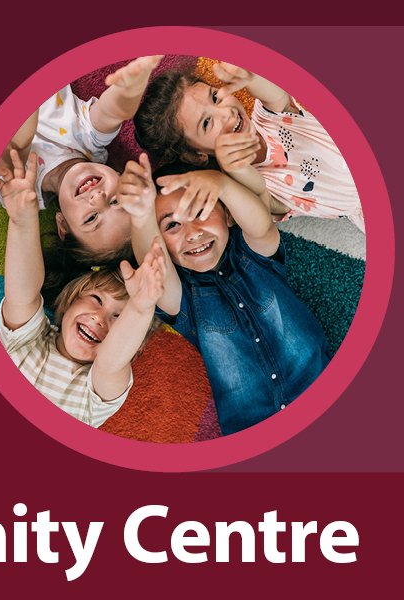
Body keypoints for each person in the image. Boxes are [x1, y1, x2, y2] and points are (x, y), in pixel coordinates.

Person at [118, 154, 328, 434]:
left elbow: (262, 225)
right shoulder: (183, 300)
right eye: (172, 225)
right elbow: (153, 266)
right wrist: (141, 216)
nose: (193, 233)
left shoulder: (256, 255)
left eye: (200, 212)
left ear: (228, 214)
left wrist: (221, 184)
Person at [0, 149, 165, 427]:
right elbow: (22, 295)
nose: (100, 318)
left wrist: (140, 309)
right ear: (70, 299)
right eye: (96, 299)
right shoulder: (28, 341)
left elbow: (111, 363)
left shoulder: (95, 396)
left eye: (119, 317)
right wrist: (23, 221)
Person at [133, 62, 363, 231]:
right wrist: (235, 168)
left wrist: (250, 76)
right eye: (206, 122)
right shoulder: (248, 188)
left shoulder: (270, 117)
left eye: (215, 97)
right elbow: (262, 207)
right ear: (196, 155)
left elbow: (275, 94)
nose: (226, 113)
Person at [0, 55, 163, 265]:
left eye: (91, 218)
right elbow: (112, 112)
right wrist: (131, 88)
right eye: (116, 200)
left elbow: (6, 149)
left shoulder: (23, 195)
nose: (98, 197)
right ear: (122, 176)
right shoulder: (91, 141)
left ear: (63, 225)